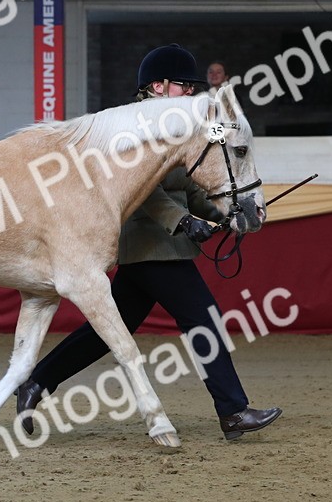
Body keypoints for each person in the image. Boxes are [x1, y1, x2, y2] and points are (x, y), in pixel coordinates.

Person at [16, 44, 282, 441]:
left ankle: (36, 383)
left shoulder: (182, 127)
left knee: (101, 332)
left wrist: (223, 215)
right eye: (184, 86)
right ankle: (233, 411)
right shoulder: (129, 128)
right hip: (148, 241)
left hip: (160, 245)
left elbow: (190, 185)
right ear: (158, 86)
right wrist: (183, 222)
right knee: (204, 320)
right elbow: (146, 196)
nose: (191, 94)